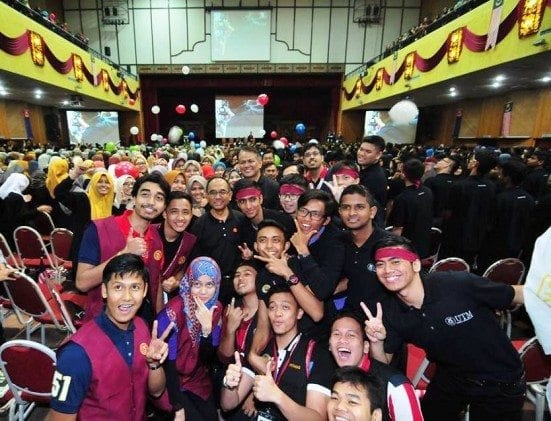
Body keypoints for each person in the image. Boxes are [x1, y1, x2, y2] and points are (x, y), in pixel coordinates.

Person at [366, 235, 526, 421]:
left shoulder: (458, 284)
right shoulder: (390, 311)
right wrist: (376, 341)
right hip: (452, 376)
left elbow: (516, 294)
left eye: (395, 261)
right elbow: (383, 362)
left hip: (501, 381)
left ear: (416, 265)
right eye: (380, 264)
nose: (387, 270)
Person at [47, 253, 174, 420]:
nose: (127, 297)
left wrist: (154, 364)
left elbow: (156, 392)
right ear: (104, 291)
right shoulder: (75, 355)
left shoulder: (142, 328)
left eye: (135, 287)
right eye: (118, 287)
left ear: (144, 291)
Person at [221, 285, 333, 421]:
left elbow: (318, 418)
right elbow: (228, 405)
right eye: (272, 307)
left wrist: (276, 395)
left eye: (285, 307)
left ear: (299, 313)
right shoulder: (259, 349)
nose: (277, 313)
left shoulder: (316, 354)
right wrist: (230, 385)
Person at [76, 172, 170, 322]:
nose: (151, 202)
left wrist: (159, 322)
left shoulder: (156, 237)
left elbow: (156, 283)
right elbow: (82, 283)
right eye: (145, 194)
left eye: (159, 198)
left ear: (164, 206)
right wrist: (124, 253)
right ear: (134, 197)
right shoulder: (100, 229)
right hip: (103, 322)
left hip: (141, 324)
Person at [156, 256, 223, 421]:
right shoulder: (172, 312)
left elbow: (207, 358)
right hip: (171, 381)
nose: (203, 291)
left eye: (209, 285)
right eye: (197, 284)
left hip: (197, 378)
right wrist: (177, 407)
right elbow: (168, 364)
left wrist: (206, 331)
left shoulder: (216, 308)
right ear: (188, 282)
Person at [329, 312, 422, 420]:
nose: (342, 340)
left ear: (366, 347)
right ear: (329, 346)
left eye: (351, 335)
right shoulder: (329, 374)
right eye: (336, 334)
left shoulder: (394, 385)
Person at [190, 176, 247, 304]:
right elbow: (196, 261)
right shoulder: (199, 225)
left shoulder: (241, 219)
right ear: (206, 196)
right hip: (211, 288)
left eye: (222, 192)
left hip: (239, 285)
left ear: (230, 195)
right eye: (213, 192)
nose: (217, 197)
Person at [338, 184, 390, 314]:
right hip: (343, 319)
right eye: (346, 207)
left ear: (372, 212)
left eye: (359, 207)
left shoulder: (389, 245)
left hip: (382, 320)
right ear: (340, 212)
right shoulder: (337, 242)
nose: (352, 213)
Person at [387, 158, 433, 258]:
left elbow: (397, 229)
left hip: (407, 247)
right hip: (424, 243)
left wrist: (393, 250)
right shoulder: (427, 191)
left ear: (404, 174)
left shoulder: (402, 198)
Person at [157, 191, 197, 301]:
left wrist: (176, 282)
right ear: (165, 213)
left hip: (170, 298)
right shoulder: (149, 233)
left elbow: (183, 269)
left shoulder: (190, 241)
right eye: (174, 212)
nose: (180, 218)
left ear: (191, 215)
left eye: (185, 212)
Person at [357, 136, 388, 213]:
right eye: (361, 149)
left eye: (368, 151)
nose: (361, 154)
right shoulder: (365, 170)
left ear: (378, 155)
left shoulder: (374, 177)